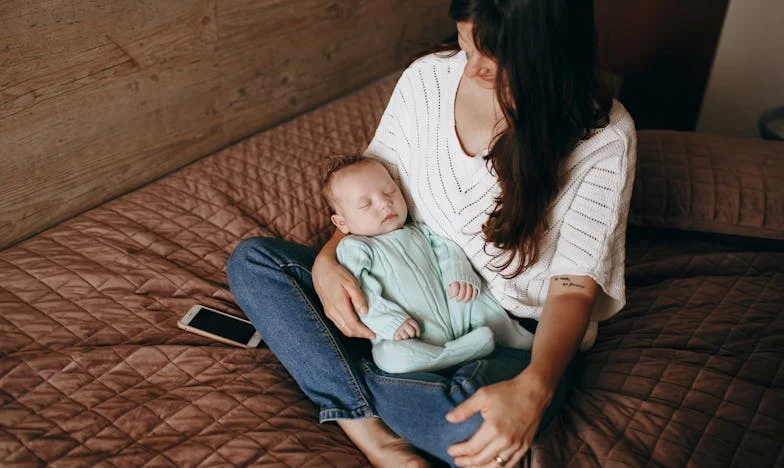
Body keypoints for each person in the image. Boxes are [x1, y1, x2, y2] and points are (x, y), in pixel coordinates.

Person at [227, 0, 636, 466]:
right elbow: (372, 191)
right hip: (398, 290)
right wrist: (326, 263)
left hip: (505, 332)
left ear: (548, 55)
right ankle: (369, 431)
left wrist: (534, 389)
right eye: (465, 44)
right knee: (256, 264)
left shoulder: (602, 137)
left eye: (492, 58)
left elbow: (573, 286)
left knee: (473, 433)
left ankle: (338, 366)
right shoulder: (428, 79)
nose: (472, 67)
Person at [323, 154, 535, 374]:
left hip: (456, 313)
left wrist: (458, 274)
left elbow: (448, 250)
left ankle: (514, 338)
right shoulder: (355, 248)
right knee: (390, 358)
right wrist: (390, 321)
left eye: (390, 192)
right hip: (408, 333)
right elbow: (362, 294)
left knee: (475, 294)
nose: (385, 203)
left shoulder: (421, 230)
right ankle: (459, 352)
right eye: (366, 204)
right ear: (342, 222)